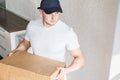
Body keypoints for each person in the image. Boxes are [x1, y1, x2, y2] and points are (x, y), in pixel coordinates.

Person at [9, 0, 85, 79]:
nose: (54, 17)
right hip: (36, 73)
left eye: (56, 13)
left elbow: (79, 58)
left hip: (56, 76)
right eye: (49, 13)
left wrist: (67, 70)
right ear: (41, 11)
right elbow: (25, 44)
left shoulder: (67, 32)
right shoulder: (32, 26)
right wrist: (16, 51)